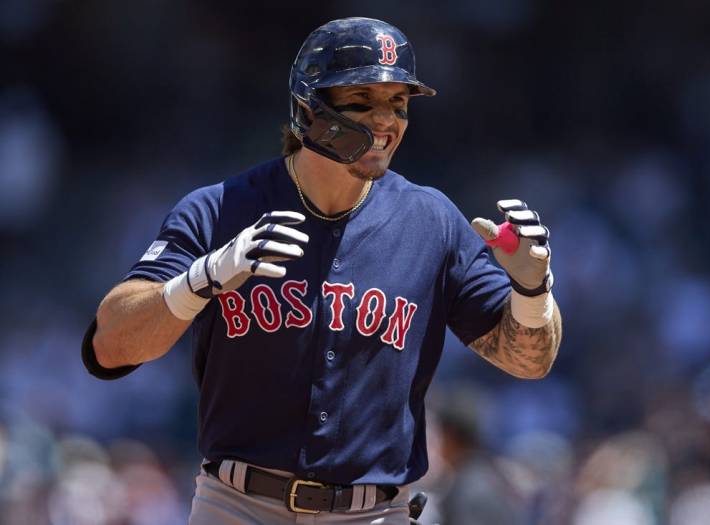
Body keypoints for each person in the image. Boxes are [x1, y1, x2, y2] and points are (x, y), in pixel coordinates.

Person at [82, 17, 562, 525]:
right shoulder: (219, 209)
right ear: (309, 107)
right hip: (238, 505)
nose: (386, 121)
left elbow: (529, 361)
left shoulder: (432, 221)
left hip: (375, 513)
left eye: (398, 103)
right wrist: (198, 281)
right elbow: (108, 347)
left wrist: (533, 288)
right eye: (362, 100)